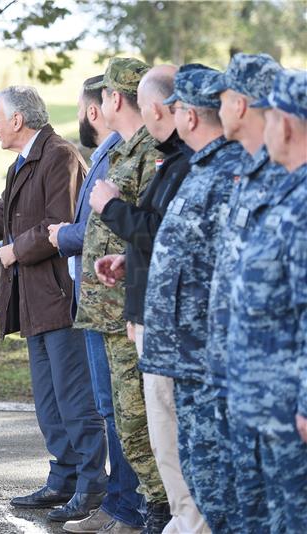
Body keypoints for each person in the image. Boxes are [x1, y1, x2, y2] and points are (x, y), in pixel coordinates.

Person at [0, 85, 107, 523]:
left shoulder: (59, 156)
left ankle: (91, 487)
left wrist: (17, 250)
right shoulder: (23, 163)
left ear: (18, 120)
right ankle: (63, 478)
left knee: (74, 399)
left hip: (59, 298)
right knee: (48, 400)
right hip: (33, 300)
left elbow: (62, 224)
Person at [89, 65, 209, 534]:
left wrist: (110, 209)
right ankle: (174, 519)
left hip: (173, 326)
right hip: (147, 312)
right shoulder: (173, 160)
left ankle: (172, 519)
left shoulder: (186, 166)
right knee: (158, 436)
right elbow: (162, 240)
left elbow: (161, 235)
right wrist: (128, 263)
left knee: (170, 439)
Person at [138, 65, 246, 533]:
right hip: (179, 350)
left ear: (189, 114)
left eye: (178, 107)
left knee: (218, 482)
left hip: (204, 355)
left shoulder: (226, 172)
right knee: (195, 469)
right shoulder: (200, 167)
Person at [73, 58, 171, 534]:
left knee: (139, 424)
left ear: (115, 99)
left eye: (105, 93)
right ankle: (142, 510)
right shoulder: (124, 149)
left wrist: (109, 206)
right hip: (109, 304)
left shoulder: (151, 151)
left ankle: (156, 511)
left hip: (130, 311)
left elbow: (155, 231)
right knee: (122, 419)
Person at [50, 76, 145, 534]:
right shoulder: (113, 149)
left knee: (125, 411)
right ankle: (119, 506)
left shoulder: (133, 152)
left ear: (112, 101)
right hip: (100, 299)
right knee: (113, 409)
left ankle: (130, 509)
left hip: (117, 304)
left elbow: (100, 226)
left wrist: (61, 236)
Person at [199, 54, 289, 533]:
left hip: (274, 388)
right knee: (233, 504)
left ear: (241, 103)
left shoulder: (286, 178)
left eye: (225, 98)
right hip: (232, 372)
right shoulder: (248, 171)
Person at [241, 68, 307, 532]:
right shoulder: (287, 191)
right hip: (266, 397)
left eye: (268, 120)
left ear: (283, 125)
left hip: (290, 407)